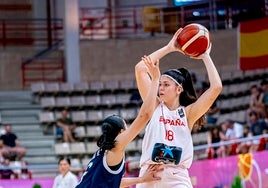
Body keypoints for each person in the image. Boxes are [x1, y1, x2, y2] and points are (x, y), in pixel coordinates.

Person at [135, 28, 222, 188]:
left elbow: (216, 87)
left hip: (177, 178)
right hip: (149, 176)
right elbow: (140, 69)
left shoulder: (188, 114)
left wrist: (205, 56)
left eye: (166, 84)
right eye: (160, 84)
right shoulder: (154, 106)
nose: (160, 88)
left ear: (179, 89)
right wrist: (169, 48)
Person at [76, 55, 163, 188]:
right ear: (121, 131)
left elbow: (113, 183)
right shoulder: (117, 145)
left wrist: (142, 179)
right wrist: (156, 80)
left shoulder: (103, 152)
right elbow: (144, 116)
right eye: (126, 125)